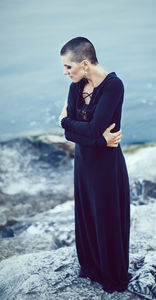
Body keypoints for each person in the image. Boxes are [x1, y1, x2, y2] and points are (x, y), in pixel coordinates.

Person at [59, 37, 132, 293]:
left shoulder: (114, 86)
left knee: (108, 217)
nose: (65, 73)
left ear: (85, 63)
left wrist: (65, 122)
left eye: (69, 67)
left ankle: (112, 276)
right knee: (87, 215)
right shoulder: (76, 86)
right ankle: (91, 268)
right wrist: (97, 139)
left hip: (106, 167)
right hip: (84, 163)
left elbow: (93, 128)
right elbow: (83, 134)